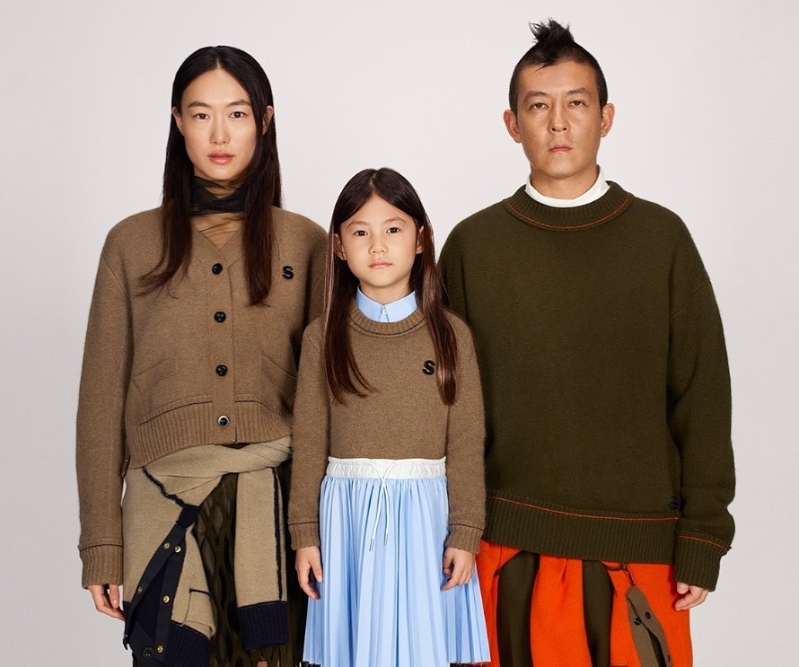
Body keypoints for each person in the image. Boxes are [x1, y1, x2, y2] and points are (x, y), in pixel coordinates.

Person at [438, 20, 735, 667]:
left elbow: (702, 396)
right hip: (503, 549)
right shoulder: (471, 247)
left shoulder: (661, 239)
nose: (558, 123)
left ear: (605, 117)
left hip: (640, 553)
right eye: (537, 106)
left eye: (575, 103)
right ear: (512, 123)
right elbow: (443, 406)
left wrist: (704, 537)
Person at [76, 45, 327, 667]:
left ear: (264, 122)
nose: (219, 135)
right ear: (177, 121)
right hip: (164, 512)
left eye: (237, 114)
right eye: (200, 114)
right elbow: (100, 404)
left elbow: (330, 400)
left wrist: (318, 527)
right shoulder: (130, 244)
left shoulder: (308, 243)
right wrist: (102, 545)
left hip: (276, 520)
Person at [288, 167, 490, 667]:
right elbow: (309, 442)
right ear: (339, 247)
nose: (377, 245)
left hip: (426, 518)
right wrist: (305, 534)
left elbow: (466, 443)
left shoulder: (452, 336)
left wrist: (465, 532)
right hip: (347, 520)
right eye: (360, 232)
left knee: (423, 648)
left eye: (393, 229)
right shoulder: (322, 337)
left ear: (420, 239)